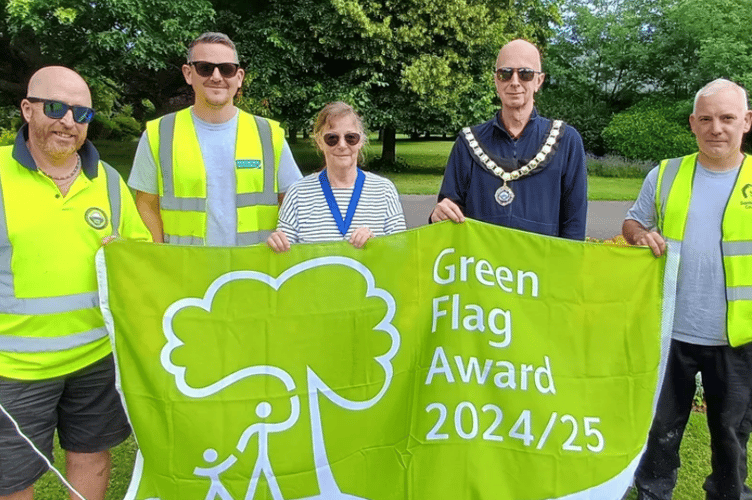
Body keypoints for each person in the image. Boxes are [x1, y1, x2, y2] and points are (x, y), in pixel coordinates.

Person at [0, 66, 151, 500]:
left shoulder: (108, 181)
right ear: (28, 109)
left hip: (94, 359)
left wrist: (124, 249)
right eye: (55, 108)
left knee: (92, 457)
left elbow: (139, 257)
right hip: (15, 368)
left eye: (81, 113)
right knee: (11, 479)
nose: (68, 121)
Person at [623, 78, 752, 499]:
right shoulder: (665, 174)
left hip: (737, 338)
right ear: (692, 124)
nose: (717, 128)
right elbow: (632, 223)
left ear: (746, 122)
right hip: (669, 332)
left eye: (728, 118)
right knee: (659, 431)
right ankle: (652, 493)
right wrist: (640, 236)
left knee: (730, 439)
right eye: (707, 119)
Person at [129, 32, 302, 246]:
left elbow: (294, 203)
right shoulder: (159, 134)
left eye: (227, 69)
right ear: (188, 73)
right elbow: (146, 205)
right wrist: (161, 259)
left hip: (252, 272)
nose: (217, 77)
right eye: (205, 68)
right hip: (185, 272)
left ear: (239, 77)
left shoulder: (269, 135)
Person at [430, 39, 587, 240]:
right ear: (496, 81)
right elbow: (447, 215)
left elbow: (574, 225)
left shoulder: (567, 141)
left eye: (525, 74)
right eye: (505, 74)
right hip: (482, 267)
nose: (514, 82)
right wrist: (439, 215)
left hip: (542, 267)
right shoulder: (467, 142)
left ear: (539, 81)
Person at [267, 102, 405, 252]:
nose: (342, 145)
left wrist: (376, 245)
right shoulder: (298, 193)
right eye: (332, 138)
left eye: (350, 137)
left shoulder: (384, 191)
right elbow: (285, 255)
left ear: (361, 141)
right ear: (319, 142)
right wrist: (277, 243)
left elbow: (402, 250)